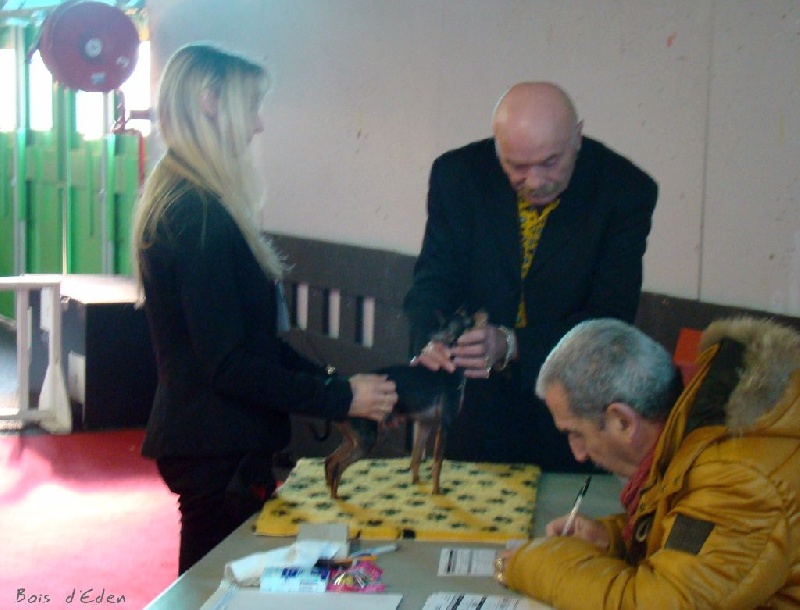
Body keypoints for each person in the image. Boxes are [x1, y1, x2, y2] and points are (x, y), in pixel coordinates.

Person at [131, 43, 398, 574]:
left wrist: (339, 390)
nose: (258, 124)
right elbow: (230, 365)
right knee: (212, 589)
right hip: (214, 448)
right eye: (251, 105)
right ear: (210, 102)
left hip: (216, 442)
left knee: (218, 584)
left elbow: (256, 345)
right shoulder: (195, 213)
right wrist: (339, 396)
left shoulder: (194, 200)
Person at [404, 81, 658, 470]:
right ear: (497, 148)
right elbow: (432, 280)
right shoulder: (458, 175)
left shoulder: (624, 190)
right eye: (517, 167)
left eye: (550, 162)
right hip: (475, 402)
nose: (535, 181)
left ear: (577, 136)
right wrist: (429, 339)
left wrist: (512, 343)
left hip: (572, 408)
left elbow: (609, 318)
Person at [495, 317, 800, 609]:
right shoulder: (700, 426)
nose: (579, 453)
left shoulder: (737, 478)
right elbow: (691, 534)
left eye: (577, 433)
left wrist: (537, 564)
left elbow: (659, 603)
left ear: (623, 421)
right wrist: (615, 538)